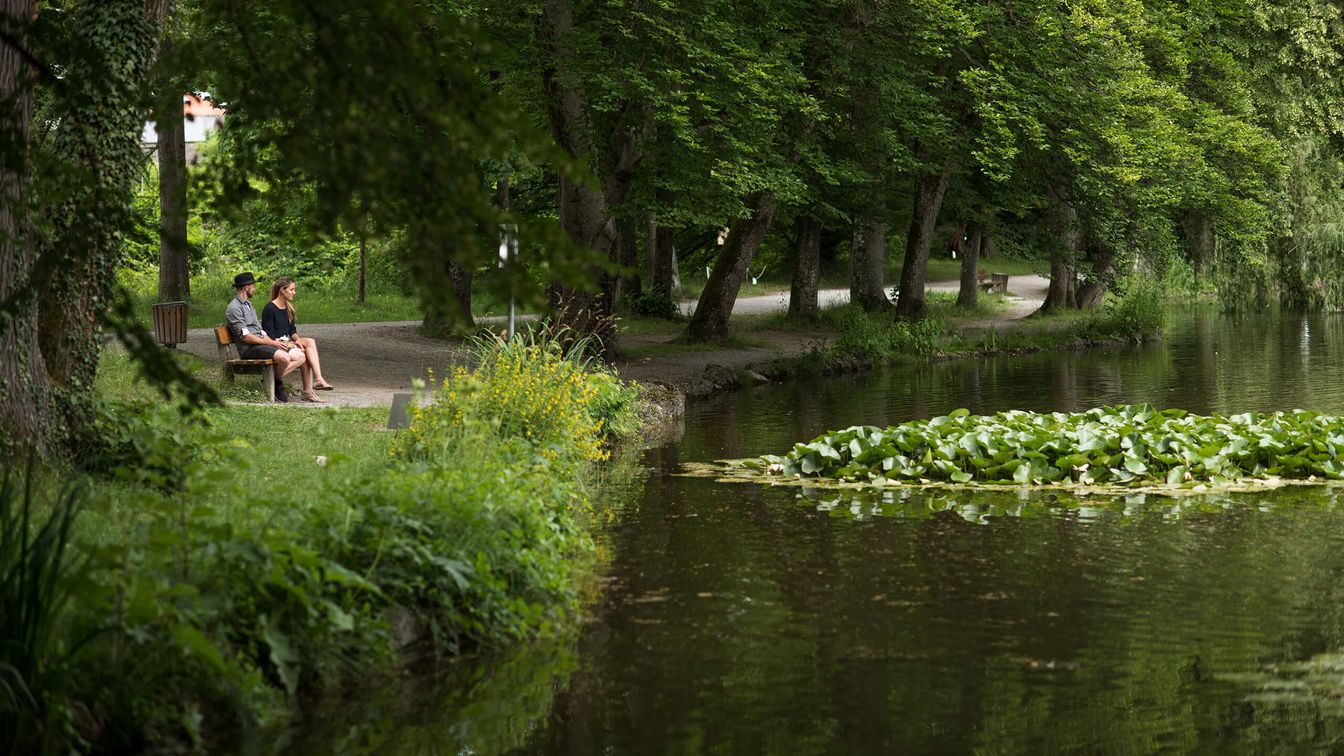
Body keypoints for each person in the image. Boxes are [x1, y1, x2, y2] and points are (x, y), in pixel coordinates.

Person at [224, 271, 306, 403]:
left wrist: (274, 341)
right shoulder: (234, 308)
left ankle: (273, 381)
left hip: (261, 344)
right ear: (246, 287)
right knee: (284, 358)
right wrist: (273, 343)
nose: (254, 289)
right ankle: (277, 385)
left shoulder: (248, 305)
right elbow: (246, 337)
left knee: (300, 356)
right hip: (249, 349)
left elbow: (260, 330)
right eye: (253, 286)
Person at [262, 277, 333, 401]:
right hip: (276, 345)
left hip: (287, 342)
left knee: (309, 342)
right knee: (304, 355)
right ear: (282, 290)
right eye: (292, 289)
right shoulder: (270, 308)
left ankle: (318, 380)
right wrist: (289, 343)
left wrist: (297, 340)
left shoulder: (288, 308)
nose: (294, 292)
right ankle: (307, 390)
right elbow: (270, 335)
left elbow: (292, 331)